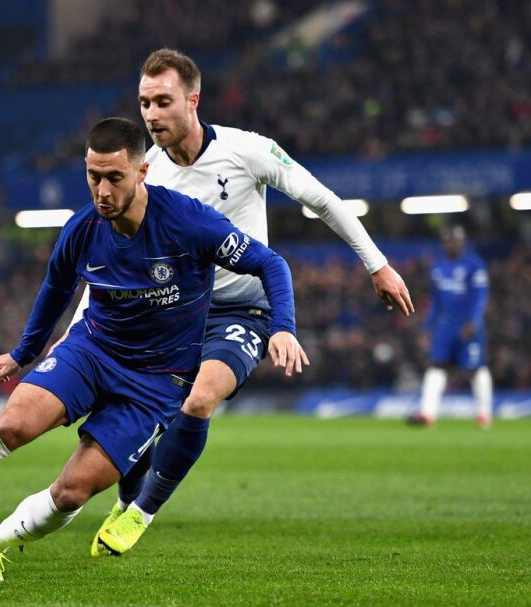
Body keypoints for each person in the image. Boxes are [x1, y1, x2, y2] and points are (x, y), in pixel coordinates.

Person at [0, 117, 308, 582]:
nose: (102, 191)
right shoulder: (83, 228)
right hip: (93, 351)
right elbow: (55, 289)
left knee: (72, 492)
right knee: (11, 425)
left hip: (156, 383)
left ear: (142, 172)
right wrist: (23, 352)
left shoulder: (188, 222)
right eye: (94, 176)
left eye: (114, 177)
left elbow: (270, 263)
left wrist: (283, 328)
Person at [76, 49, 415, 556]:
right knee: (140, 411)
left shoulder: (246, 150)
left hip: (242, 310)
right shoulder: (145, 174)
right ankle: (126, 499)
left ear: (193, 100)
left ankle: (141, 514)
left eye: (163, 101)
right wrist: (77, 328)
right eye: (144, 103)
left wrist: (377, 264)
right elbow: (110, 259)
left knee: (200, 399)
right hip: (173, 313)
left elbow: (322, 199)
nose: (151, 114)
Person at [410, 224, 492, 428]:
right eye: (448, 240)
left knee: (475, 368)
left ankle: (484, 414)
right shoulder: (438, 268)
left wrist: (473, 320)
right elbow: (435, 302)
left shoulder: (474, 266)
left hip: (468, 326)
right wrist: (428, 327)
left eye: (456, 240)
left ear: (463, 241)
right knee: (437, 365)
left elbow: (480, 297)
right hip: (445, 327)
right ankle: (427, 414)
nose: (452, 243)